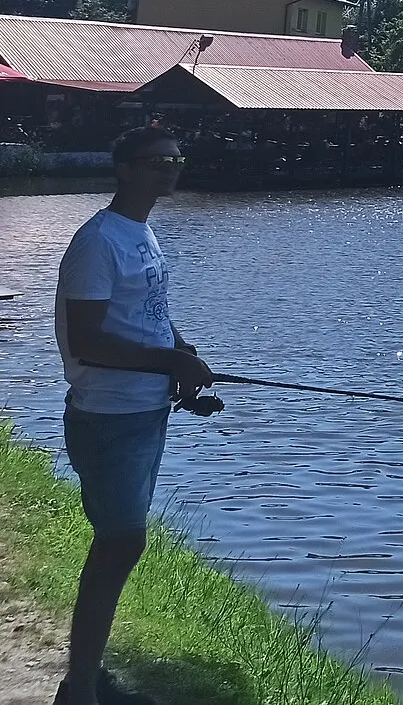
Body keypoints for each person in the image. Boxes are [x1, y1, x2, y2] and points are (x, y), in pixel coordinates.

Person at [55, 125, 216, 705]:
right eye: (152, 161)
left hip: (143, 408)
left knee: (121, 541)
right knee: (120, 541)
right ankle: (79, 691)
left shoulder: (141, 232)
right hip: (107, 414)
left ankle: (86, 678)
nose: (166, 168)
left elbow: (147, 313)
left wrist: (180, 350)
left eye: (174, 159)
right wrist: (167, 357)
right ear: (123, 168)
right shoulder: (99, 240)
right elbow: (89, 341)